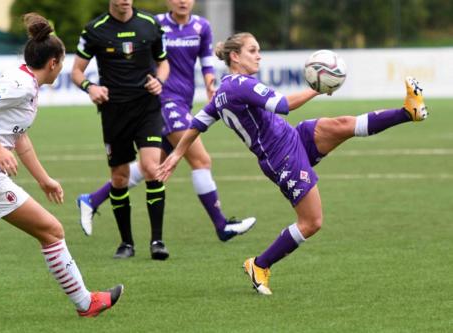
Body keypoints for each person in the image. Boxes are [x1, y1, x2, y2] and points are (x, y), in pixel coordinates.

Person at [156, 32, 428, 295]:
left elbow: (196, 125)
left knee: (343, 124)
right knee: (312, 222)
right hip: (280, 157)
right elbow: (282, 104)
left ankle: (408, 111)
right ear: (235, 56)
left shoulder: (223, 91)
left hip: (293, 137)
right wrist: (316, 87)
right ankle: (259, 265)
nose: (259, 57)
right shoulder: (240, 85)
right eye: (253, 51)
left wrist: (177, 154)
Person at [0, 13, 123, 317]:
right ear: (54, 63)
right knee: (52, 231)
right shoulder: (21, 84)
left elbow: (20, 139)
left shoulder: (26, 84)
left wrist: (44, 179)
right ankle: (86, 303)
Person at [76, 0, 256, 246]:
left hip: (184, 100)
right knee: (201, 160)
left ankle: (92, 199)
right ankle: (222, 225)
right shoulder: (155, 23)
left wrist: (211, 83)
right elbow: (151, 59)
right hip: (162, 101)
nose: (182, 1)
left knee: (153, 167)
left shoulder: (202, 26)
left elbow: (205, 60)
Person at [71, 0, 171, 260]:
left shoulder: (150, 24)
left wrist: (159, 81)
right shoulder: (95, 29)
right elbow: (76, 72)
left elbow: (163, 63)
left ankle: (157, 241)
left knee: (151, 168)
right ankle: (126, 243)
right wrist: (90, 87)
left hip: (147, 108)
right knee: (119, 177)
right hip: (114, 112)